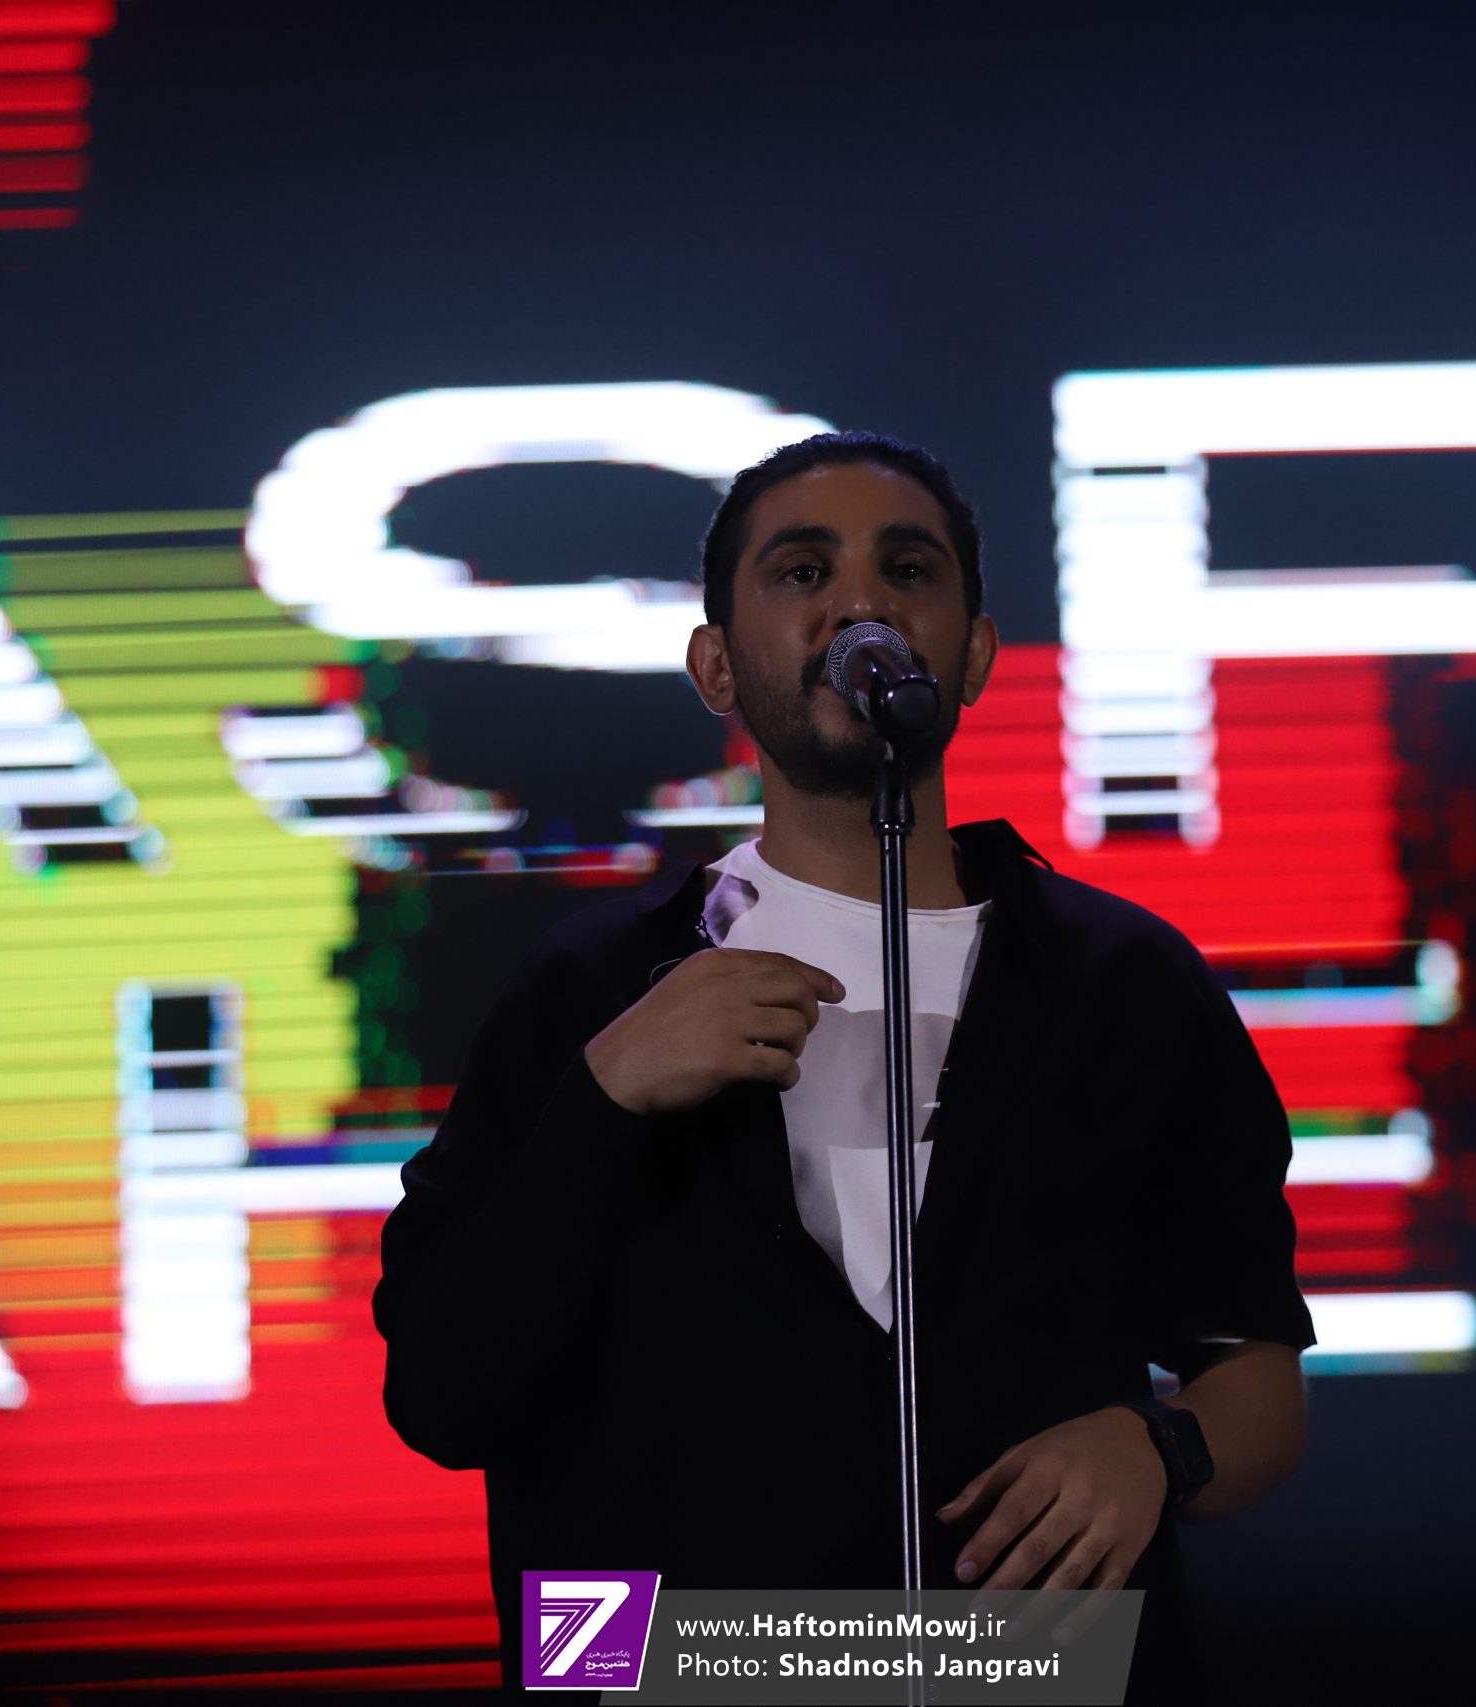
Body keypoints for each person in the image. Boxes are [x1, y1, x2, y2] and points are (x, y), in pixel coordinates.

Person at [374, 432, 1314, 1702]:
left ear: (972, 656)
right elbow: (441, 1394)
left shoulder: (1120, 980)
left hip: (1024, 1674)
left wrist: (1158, 1448)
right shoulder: (588, 990)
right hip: (669, 1675)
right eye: (802, 571)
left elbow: (1255, 1374)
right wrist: (604, 1096)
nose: (859, 603)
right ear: (715, 664)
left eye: (907, 571)